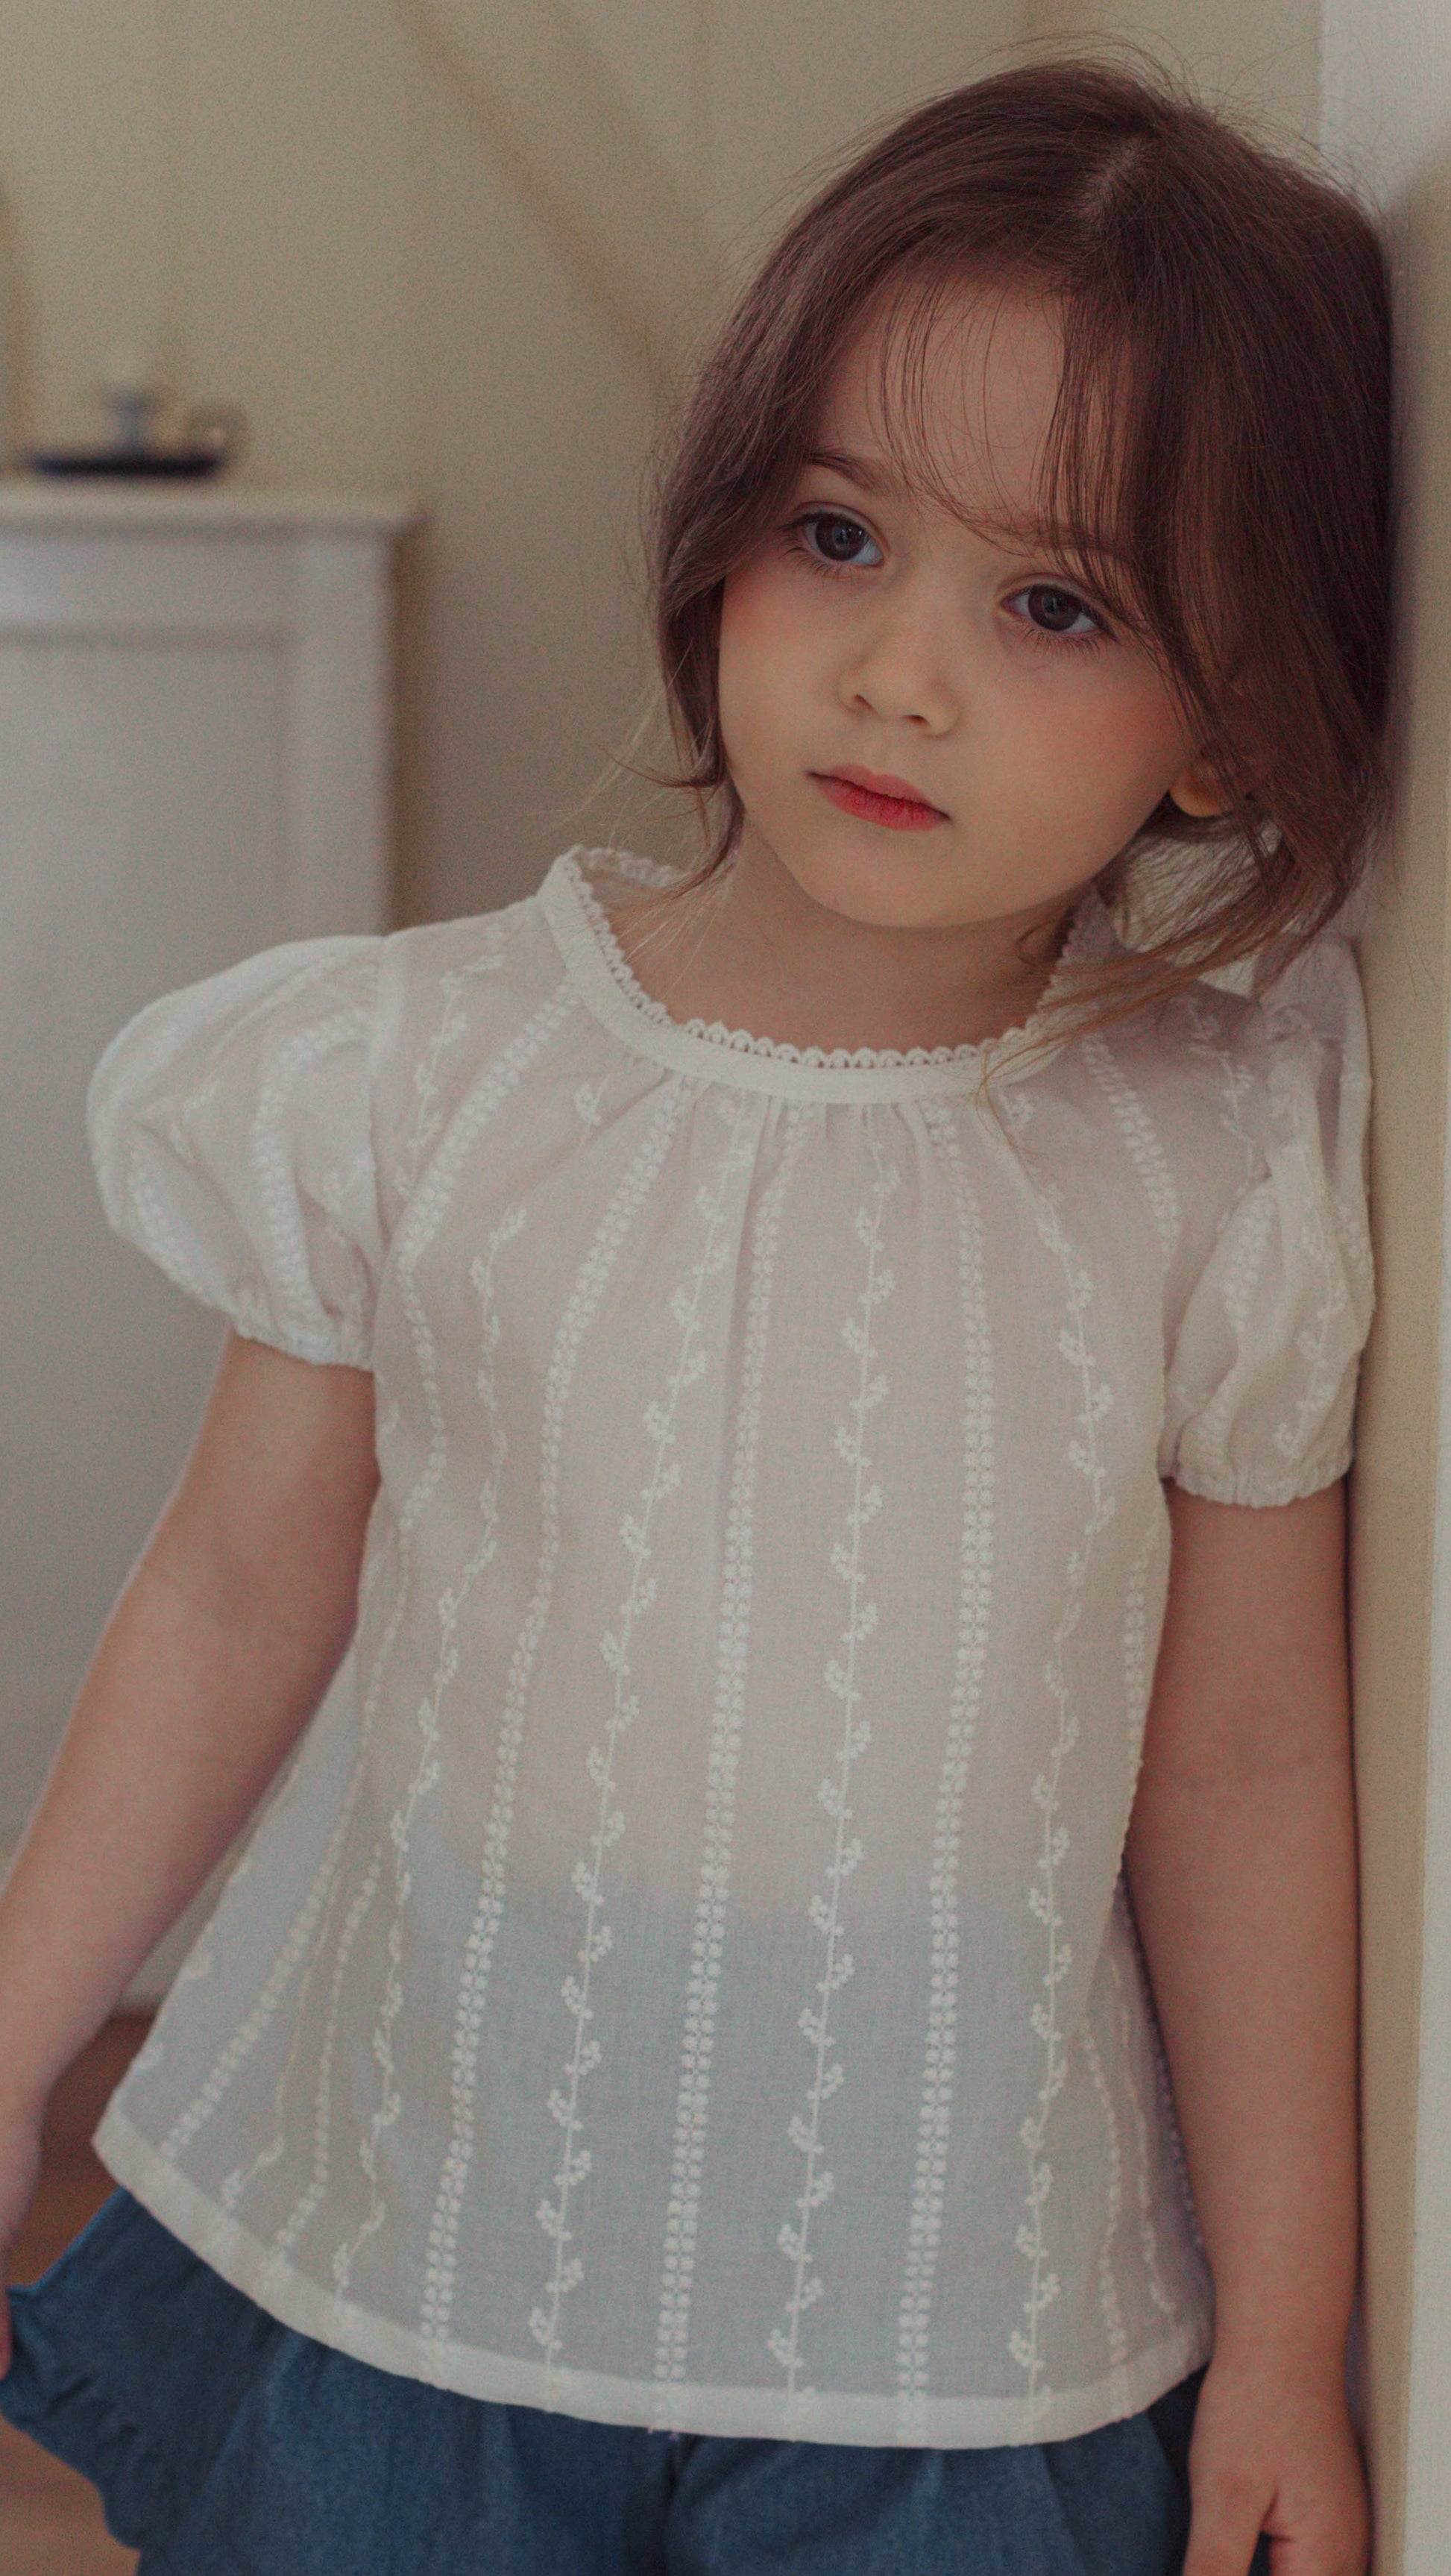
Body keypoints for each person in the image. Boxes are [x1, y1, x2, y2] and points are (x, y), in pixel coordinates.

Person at [0, 54, 1388, 2576]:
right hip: (425, 2245)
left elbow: (1251, 1770)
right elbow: (231, 1593)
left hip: (951, 2329)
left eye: (1055, 605)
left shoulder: (1208, 1163)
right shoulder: (417, 1074)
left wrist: (1290, 2340)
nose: (897, 675)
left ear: (1225, 735)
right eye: (834, 534)